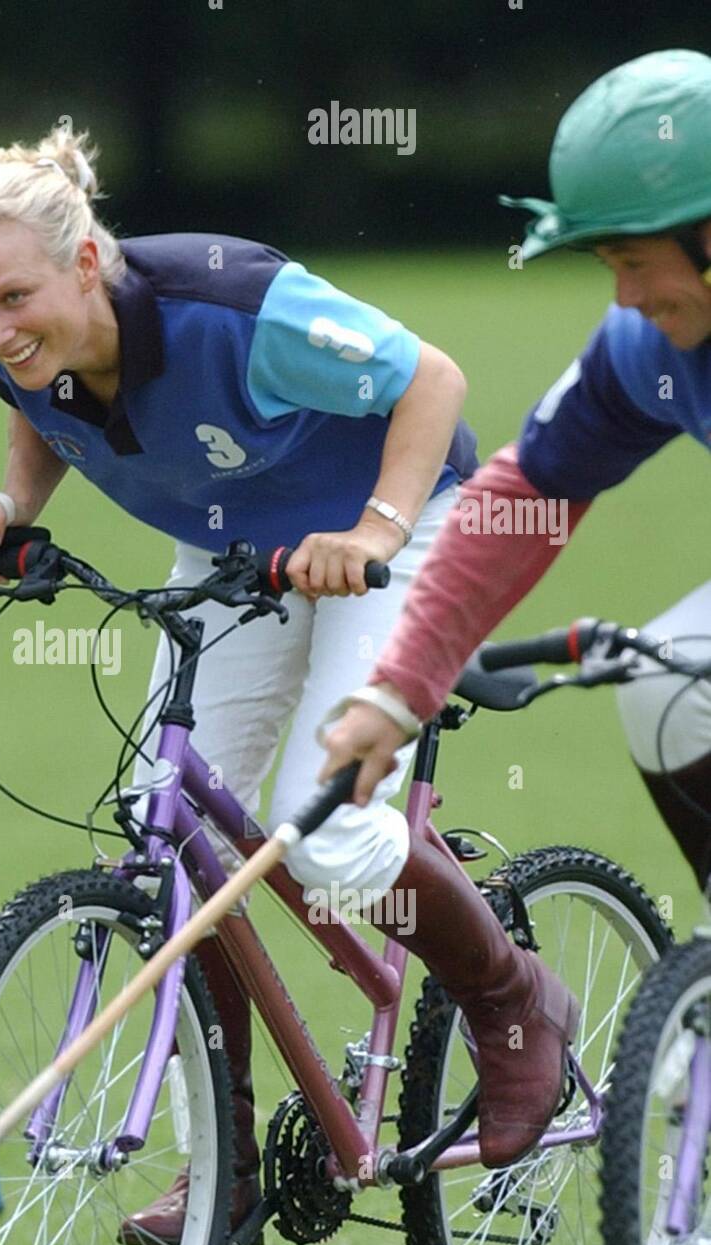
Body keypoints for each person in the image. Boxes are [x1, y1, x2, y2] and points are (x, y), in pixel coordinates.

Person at [0, 122, 570, 1245]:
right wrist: (10, 518)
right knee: (162, 828)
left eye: (14, 300)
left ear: (88, 264)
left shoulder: (232, 304)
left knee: (321, 834)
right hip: (235, 552)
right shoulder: (16, 334)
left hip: (403, 523)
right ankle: (220, 1156)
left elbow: (432, 377)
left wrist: (372, 530)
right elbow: (35, 407)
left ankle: (514, 1000)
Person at [322, 49, 711, 930]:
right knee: (664, 692)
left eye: (634, 260)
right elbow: (519, 502)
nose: (623, 294)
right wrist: (396, 693)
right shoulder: (641, 351)